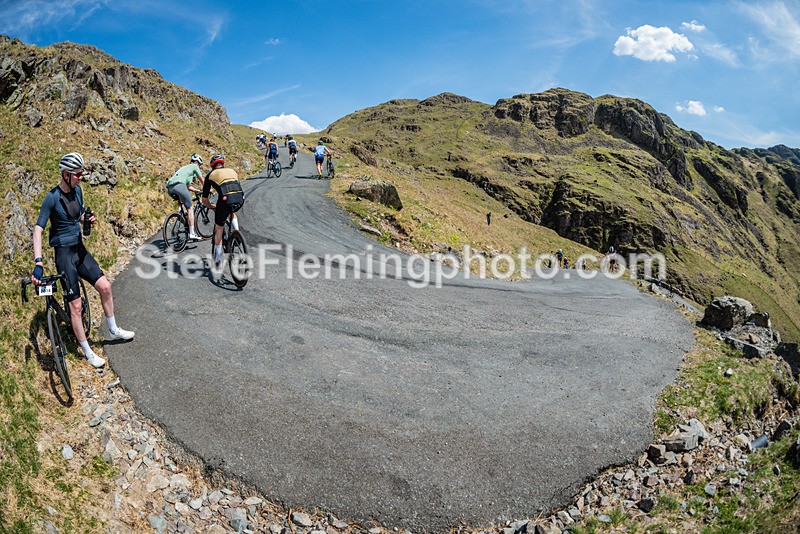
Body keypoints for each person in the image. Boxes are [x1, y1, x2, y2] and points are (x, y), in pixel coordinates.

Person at [31, 152, 134, 368]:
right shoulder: (51, 197)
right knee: (75, 307)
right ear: (66, 174)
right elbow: (38, 230)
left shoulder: (78, 191)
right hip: (64, 255)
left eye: (81, 173)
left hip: (80, 249)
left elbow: (74, 216)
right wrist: (38, 262)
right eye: (77, 174)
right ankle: (87, 352)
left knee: (105, 287)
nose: (81, 177)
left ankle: (113, 329)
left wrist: (86, 219)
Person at [201, 155, 244, 266]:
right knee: (231, 212)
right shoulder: (232, 171)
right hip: (240, 198)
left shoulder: (210, 175)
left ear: (212, 166)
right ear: (222, 164)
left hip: (225, 200)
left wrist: (211, 206)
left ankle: (219, 257)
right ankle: (237, 233)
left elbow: (204, 200)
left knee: (219, 227)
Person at [165, 154, 204, 241]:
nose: (199, 167)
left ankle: (181, 216)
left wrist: (197, 190)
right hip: (179, 185)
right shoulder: (194, 166)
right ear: (197, 162)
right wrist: (207, 189)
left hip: (170, 188)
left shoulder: (184, 169)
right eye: (200, 165)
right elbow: (202, 180)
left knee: (183, 205)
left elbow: (188, 186)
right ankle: (192, 233)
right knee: (190, 208)